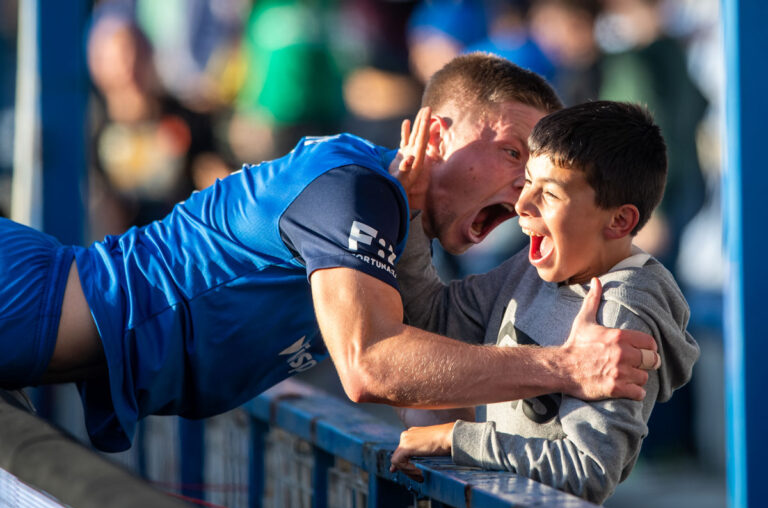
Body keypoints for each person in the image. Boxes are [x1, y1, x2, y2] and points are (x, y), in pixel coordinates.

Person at [0, 54, 658, 453]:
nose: (524, 186)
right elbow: (370, 366)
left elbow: (431, 383)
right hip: (24, 296)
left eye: (534, 168)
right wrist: (564, 367)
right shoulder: (356, 188)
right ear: (435, 134)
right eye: (512, 152)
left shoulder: (391, 221)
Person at [389, 101, 700, 503]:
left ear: (619, 221)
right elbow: (435, 319)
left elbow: (587, 471)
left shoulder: (620, 312)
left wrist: (456, 438)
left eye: (549, 194)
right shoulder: (531, 268)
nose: (522, 204)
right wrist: (410, 210)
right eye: (527, 182)